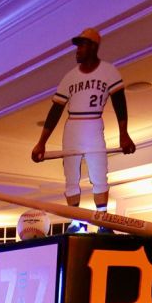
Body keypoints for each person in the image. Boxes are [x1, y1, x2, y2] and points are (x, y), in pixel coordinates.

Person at [31, 27, 136, 226]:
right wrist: (41, 143)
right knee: (71, 174)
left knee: (98, 171)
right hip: (73, 126)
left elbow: (119, 103)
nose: (78, 50)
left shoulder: (108, 71)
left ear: (94, 47)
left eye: (82, 46)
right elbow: (55, 110)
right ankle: (76, 221)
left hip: (93, 123)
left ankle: (103, 220)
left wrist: (124, 134)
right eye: (77, 46)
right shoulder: (70, 77)